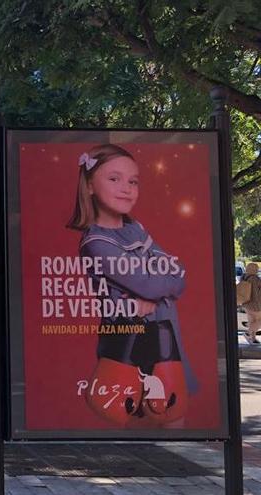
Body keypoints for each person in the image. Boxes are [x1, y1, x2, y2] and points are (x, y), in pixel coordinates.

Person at [68, 144, 191, 428]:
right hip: (124, 344)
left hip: (162, 337)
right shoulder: (96, 243)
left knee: (173, 415)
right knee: (128, 419)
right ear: (89, 186)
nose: (126, 188)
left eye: (133, 181)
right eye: (114, 179)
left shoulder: (135, 229)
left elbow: (178, 274)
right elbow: (148, 284)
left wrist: (156, 287)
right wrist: (156, 286)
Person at [242, 263, 261, 344]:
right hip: (256, 304)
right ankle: (248, 332)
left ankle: (252, 338)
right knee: (258, 321)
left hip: (247, 303)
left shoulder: (244, 277)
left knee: (252, 320)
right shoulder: (256, 279)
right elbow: (258, 293)